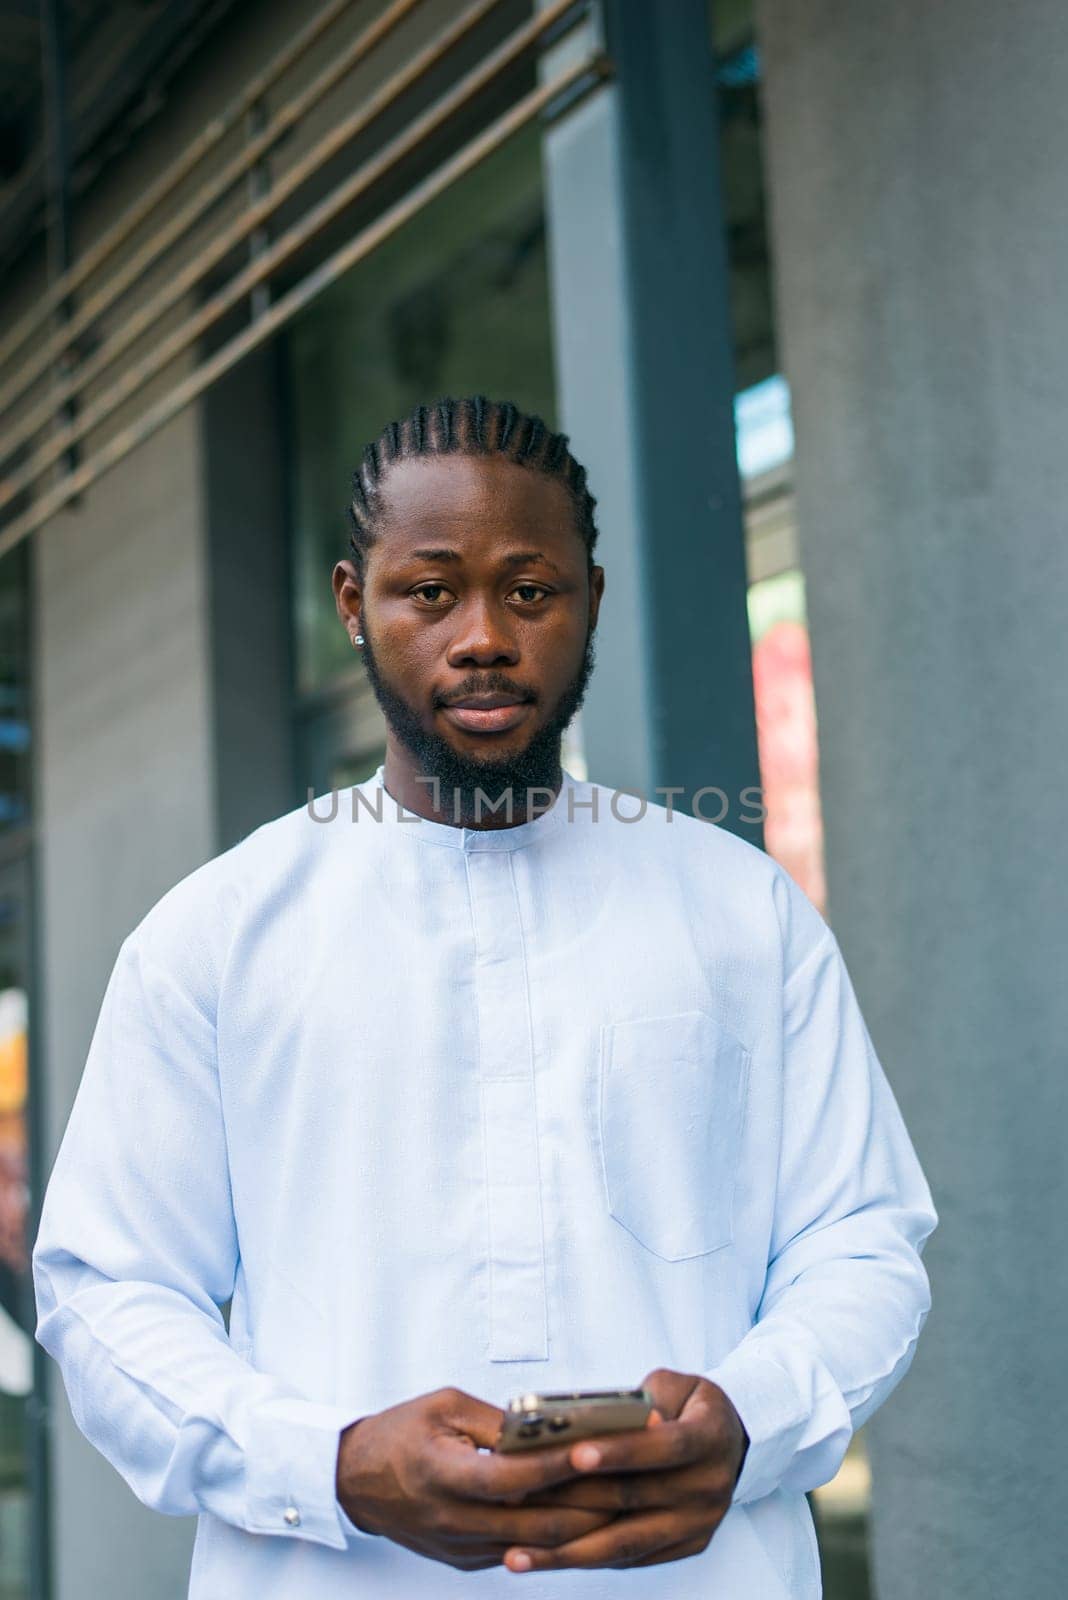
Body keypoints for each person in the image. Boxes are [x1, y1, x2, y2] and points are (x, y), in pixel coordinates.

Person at [32, 396, 937, 1598]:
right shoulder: (217, 935)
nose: (484, 639)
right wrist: (337, 1462)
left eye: (529, 590)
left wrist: (753, 1419)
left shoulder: (740, 912)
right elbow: (108, 1293)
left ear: (592, 602)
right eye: (429, 591)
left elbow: (862, 1239)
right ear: (354, 604)